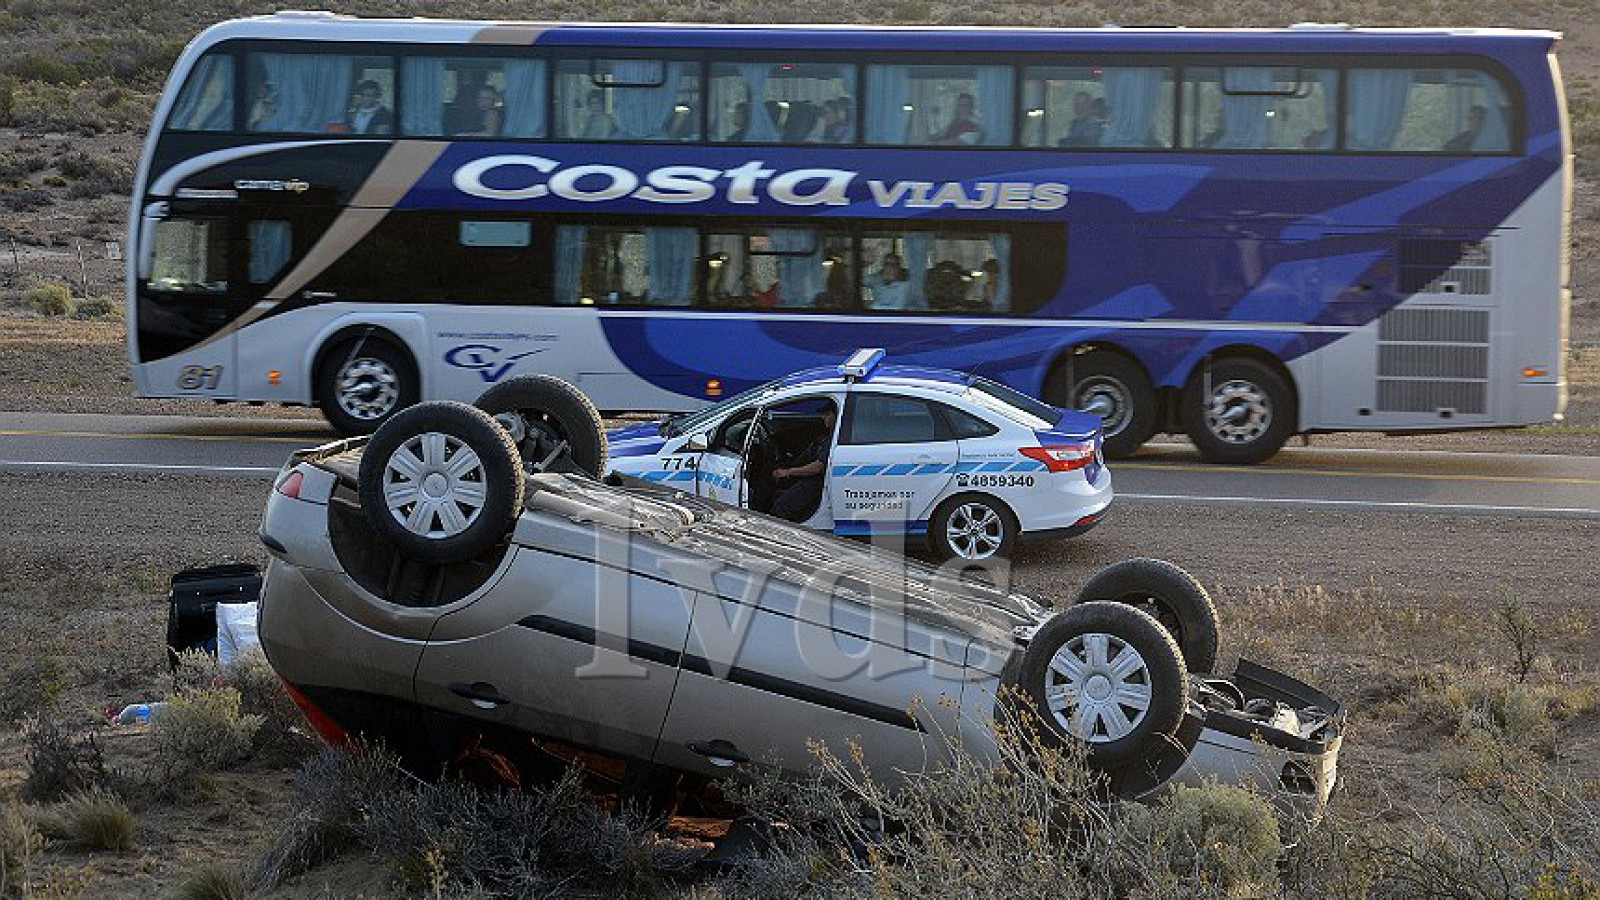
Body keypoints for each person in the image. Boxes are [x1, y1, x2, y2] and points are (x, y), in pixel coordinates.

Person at [770, 406, 835, 522]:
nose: (823, 417)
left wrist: (787, 472)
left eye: (827, 414)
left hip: (817, 482)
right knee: (776, 496)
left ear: (836, 415)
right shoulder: (826, 437)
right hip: (815, 481)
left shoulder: (834, 439)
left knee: (780, 507)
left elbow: (817, 468)